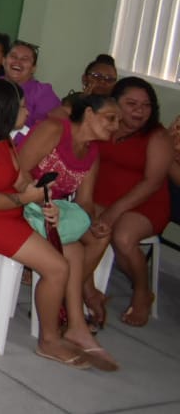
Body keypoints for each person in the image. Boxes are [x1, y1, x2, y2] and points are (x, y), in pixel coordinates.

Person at [0, 80, 107, 369]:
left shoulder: (4, 140)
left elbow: (21, 180)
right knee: (57, 268)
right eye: (21, 107)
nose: (27, 112)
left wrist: (45, 200)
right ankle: (49, 340)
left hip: (7, 215)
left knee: (71, 251)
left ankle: (72, 326)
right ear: (5, 110)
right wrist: (25, 198)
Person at [16, 93, 119, 334]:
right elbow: (18, 170)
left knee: (100, 236)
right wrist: (41, 198)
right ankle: (70, 303)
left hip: (52, 210)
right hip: (23, 202)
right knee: (73, 247)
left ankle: (61, 298)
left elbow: (84, 201)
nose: (116, 126)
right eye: (111, 118)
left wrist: (93, 223)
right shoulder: (54, 129)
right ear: (89, 114)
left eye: (118, 121)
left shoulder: (92, 152)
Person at [93, 77, 172, 326]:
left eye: (146, 105)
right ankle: (86, 292)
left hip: (144, 203)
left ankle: (142, 291)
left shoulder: (157, 136)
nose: (140, 110)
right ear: (115, 103)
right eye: (132, 104)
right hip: (101, 196)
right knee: (79, 226)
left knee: (123, 238)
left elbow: (152, 183)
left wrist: (113, 212)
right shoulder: (104, 124)